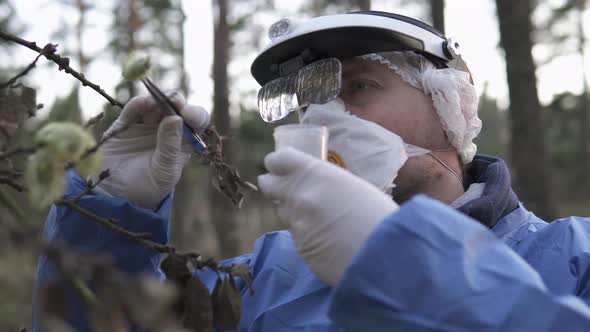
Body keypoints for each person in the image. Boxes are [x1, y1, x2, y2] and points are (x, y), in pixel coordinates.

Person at [33, 11, 590, 331]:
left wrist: (401, 262)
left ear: (453, 110)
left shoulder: (574, 259)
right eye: (308, 102)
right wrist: (104, 219)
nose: (324, 117)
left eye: (359, 86)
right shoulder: (262, 276)